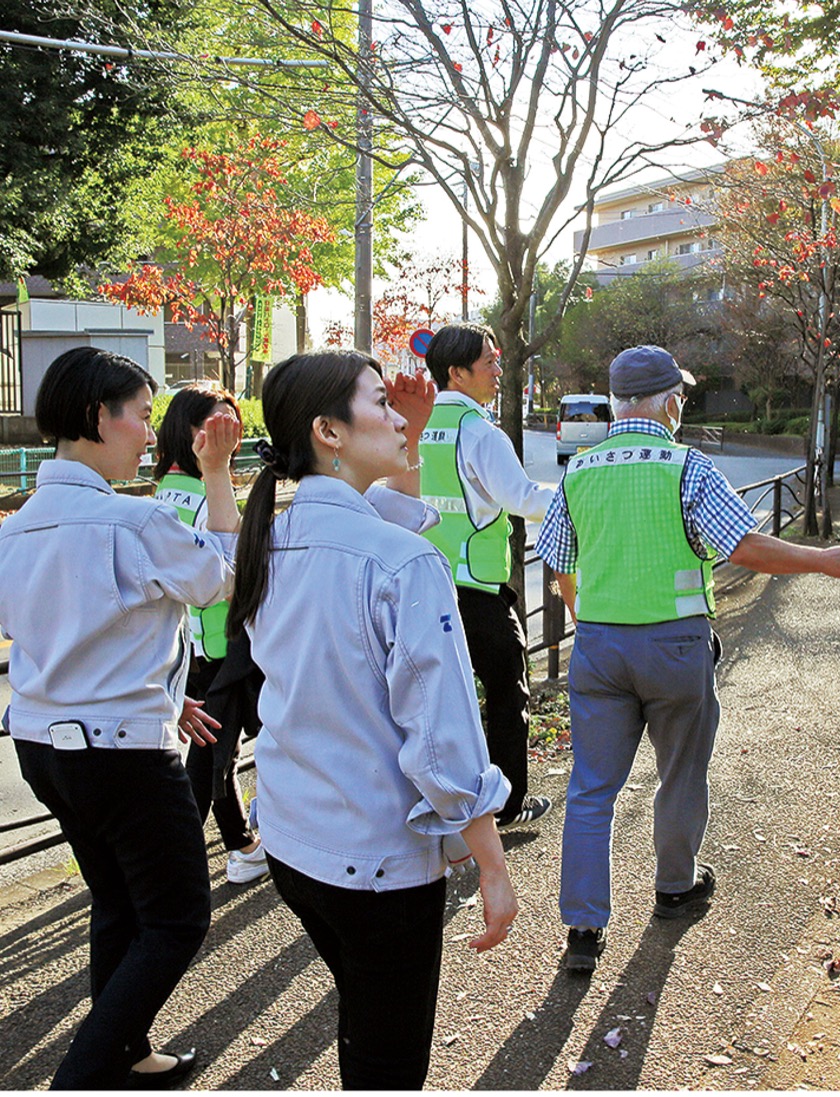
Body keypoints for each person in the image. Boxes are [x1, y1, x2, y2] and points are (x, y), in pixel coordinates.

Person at [535, 345, 840, 973]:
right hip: (675, 648)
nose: (682, 406)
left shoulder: (579, 471)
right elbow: (744, 547)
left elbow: (558, 560)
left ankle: (583, 932)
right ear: (667, 400)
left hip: (599, 646)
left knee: (591, 790)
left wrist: (591, 613)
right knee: (680, 773)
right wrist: (821, 559)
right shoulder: (686, 466)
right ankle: (674, 888)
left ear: (618, 403)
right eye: (682, 397)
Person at [227, 350, 518, 1089]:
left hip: (296, 838)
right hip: (376, 861)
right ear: (329, 431)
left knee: (365, 1016)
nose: (396, 415)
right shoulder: (402, 564)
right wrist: (491, 862)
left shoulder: (272, 537)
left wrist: (409, 437)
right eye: (380, 402)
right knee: (386, 1061)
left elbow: (395, 513)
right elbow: (444, 741)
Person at [0, 347, 240, 1087]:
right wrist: (217, 472)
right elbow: (222, 579)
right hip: (124, 755)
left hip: (45, 745)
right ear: (95, 417)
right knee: (174, 919)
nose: (146, 432)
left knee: (118, 902)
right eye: (138, 414)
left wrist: (168, 695)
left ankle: (128, 1053)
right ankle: (82, 1077)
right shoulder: (129, 522)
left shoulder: (15, 525)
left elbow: (67, 633)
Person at [421, 322, 556, 829]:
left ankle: (441, 801)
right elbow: (522, 499)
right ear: (457, 373)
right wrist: (579, 499)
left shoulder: (415, 425)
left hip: (427, 585)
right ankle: (507, 804)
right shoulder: (479, 432)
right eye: (489, 363)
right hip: (478, 589)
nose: (500, 372)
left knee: (437, 700)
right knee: (505, 692)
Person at [153, 385, 268, 885]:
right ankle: (172, 866)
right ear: (191, 432)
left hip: (188, 649)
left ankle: (242, 842)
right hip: (225, 648)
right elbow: (238, 573)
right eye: (218, 425)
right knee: (210, 757)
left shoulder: (161, 493)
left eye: (233, 424)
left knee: (213, 751)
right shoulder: (207, 494)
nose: (228, 434)